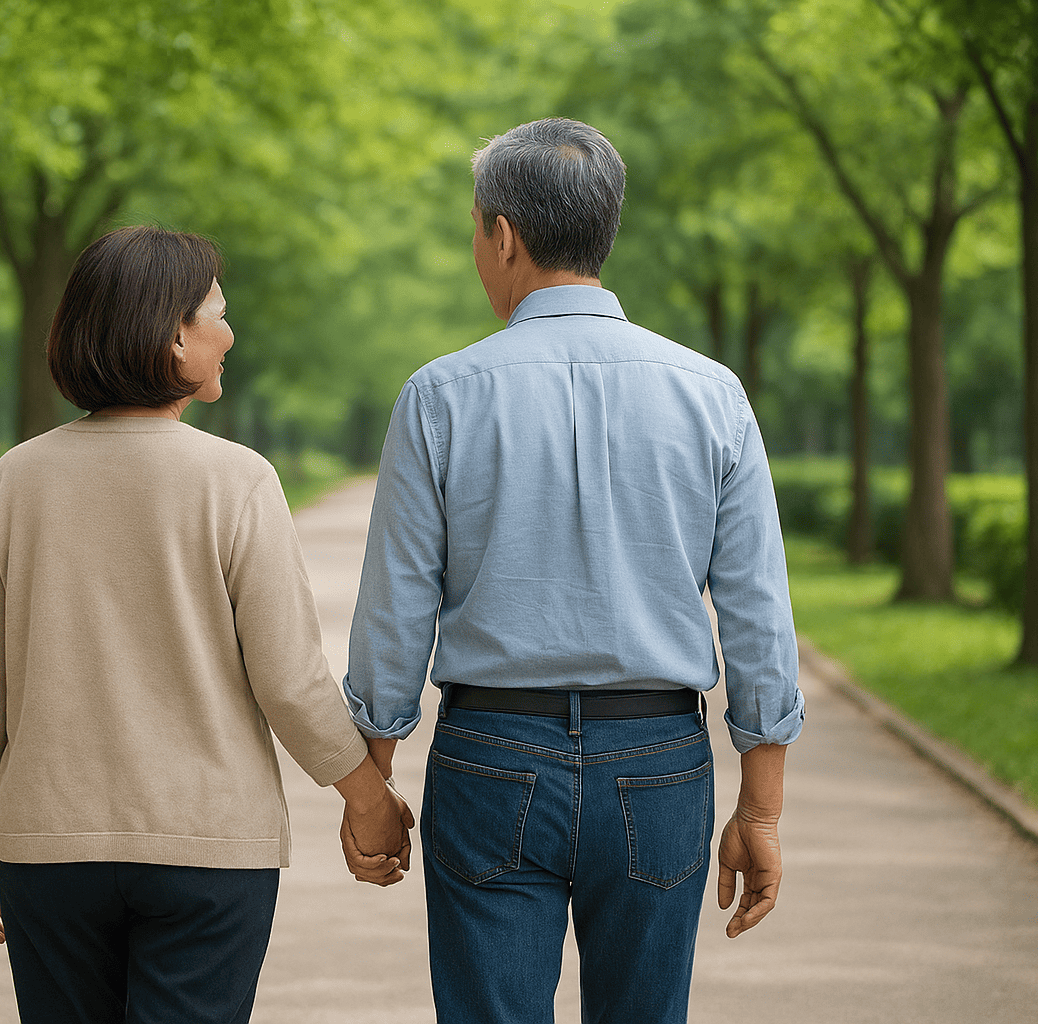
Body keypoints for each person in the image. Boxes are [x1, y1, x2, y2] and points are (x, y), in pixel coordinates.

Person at [339, 118, 805, 1023]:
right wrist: (762, 810)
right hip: (659, 761)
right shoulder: (712, 394)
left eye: (475, 229)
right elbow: (757, 613)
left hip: (491, 759)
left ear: (502, 233)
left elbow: (395, 610)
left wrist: (374, 780)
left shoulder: (441, 394)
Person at [0, 225, 412, 1024]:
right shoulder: (236, 480)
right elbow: (288, 680)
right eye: (215, 315)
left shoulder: (16, 479)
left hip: (50, 849)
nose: (228, 334)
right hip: (208, 852)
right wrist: (365, 795)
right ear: (172, 337)